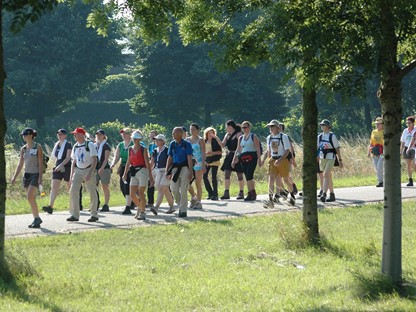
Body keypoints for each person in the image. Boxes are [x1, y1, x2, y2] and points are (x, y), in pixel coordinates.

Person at [11, 128, 44, 228]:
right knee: (31, 198)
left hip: (35, 175)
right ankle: (36, 218)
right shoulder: (23, 149)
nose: (23, 137)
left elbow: (40, 163)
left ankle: (36, 218)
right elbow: (20, 164)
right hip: (26, 175)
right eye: (23, 135)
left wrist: (40, 177)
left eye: (25, 135)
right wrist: (14, 177)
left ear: (31, 135)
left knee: (29, 196)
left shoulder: (38, 147)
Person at [67, 127, 99, 222]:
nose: (74, 135)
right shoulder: (75, 146)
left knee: (91, 191)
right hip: (78, 170)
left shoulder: (89, 145)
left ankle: (94, 214)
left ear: (81, 135)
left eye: (76, 134)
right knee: (73, 191)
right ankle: (75, 214)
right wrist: (71, 175)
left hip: (88, 169)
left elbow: (94, 160)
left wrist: (90, 172)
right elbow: (74, 161)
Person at [262, 120, 296, 206]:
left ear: (278, 128)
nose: (270, 128)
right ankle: (270, 200)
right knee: (271, 179)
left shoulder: (283, 137)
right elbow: (269, 150)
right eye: (270, 126)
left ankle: (292, 196)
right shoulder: (269, 137)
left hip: (283, 160)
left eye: (272, 126)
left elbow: (287, 150)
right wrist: (269, 160)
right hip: (273, 159)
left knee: (286, 180)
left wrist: (280, 160)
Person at [122, 130, 154, 220]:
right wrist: (125, 174)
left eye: (137, 139)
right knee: (132, 194)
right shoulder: (130, 149)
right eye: (134, 139)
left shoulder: (143, 149)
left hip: (142, 171)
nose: (135, 140)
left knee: (141, 193)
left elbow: (147, 163)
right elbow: (128, 162)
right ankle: (140, 207)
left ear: (139, 139)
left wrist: (150, 177)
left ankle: (142, 212)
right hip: (133, 171)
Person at [42, 129, 72, 214]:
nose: (60, 135)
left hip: (67, 167)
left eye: (62, 134)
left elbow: (68, 157)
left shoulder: (68, 144)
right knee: (54, 186)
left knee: (70, 186)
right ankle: (50, 206)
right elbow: (54, 157)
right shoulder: (57, 144)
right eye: (58, 134)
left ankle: (73, 206)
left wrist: (61, 165)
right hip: (57, 166)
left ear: (65, 135)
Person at [166, 127, 194, 217]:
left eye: (174, 133)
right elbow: (169, 158)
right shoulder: (172, 144)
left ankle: (183, 210)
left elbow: (189, 158)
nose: (172, 135)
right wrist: (167, 171)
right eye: (172, 133)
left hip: (185, 167)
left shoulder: (187, 144)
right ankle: (179, 205)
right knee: (174, 188)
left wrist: (190, 171)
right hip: (175, 167)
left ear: (180, 134)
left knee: (183, 189)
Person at [232, 121, 262, 201]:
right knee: (247, 176)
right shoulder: (241, 138)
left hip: (252, 158)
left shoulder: (253, 136)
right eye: (242, 127)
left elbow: (258, 148)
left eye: (245, 127)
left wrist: (259, 159)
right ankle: (252, 192)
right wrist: (234, 159)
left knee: (249, 175)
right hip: (243, 158)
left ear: (249, 128)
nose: (244, 129)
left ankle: (250, 193)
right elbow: (238, 149)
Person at [317, 119, 343, 202]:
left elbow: (337, 148)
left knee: (326, 174)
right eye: (321, 125)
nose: (322, 126)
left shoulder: (332, 136)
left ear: (328, 126)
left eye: (323, 125)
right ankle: (332, 194)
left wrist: (340, 160)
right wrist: (317, 157)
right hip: (322, 157)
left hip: (331, 157)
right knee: (328, 177)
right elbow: (318, 148)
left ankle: (324, 194)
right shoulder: (319, 136)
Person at [218, 120, 245, 200]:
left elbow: (239, 147)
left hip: (237, 155)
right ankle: (226, 192)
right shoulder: (227, 135)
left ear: (230, 126)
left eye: (226, 126)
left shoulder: (238, 134)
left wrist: (236, 158)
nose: (226, 128)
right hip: (229, 155)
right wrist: (216, 138)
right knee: (226, 173)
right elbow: (223, 145)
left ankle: (241, 192)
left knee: (239, 174)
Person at [110, 127, 134, 214]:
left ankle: (130, 204)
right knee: (122, 186)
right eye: (122, 134)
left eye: (125, 134)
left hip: (132, 167)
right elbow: (116, 157)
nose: (123, 135)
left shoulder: (133, 143)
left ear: (129, 134)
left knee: (129, 186)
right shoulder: (120, 145)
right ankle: (131, 201)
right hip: (123, 166)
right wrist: (113, 164)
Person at [149, 134, 174, 215]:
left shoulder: (167, 150)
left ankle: (156, 207)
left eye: (158, 140)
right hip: (157, 171)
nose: (156, 141)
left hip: (166, 171)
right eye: (156, 140)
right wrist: (149, 172)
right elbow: (152, 163)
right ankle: (171, 206)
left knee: (161, 187)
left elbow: (171, 161)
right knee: (165, 189)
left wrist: (170, 172)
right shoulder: (155, 151)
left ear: (163, 141)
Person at [186, 123, 206, 209]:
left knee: (198, 183)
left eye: (193, 129)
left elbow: (203, 152)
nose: (192, 131)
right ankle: (194, 196)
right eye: (190, 129)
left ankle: (198, 202)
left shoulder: (200, 140)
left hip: (198, 162)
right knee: (187, 182)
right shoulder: (187, 140)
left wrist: (204, 164)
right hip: (190, 162)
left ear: (197, 130)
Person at [203, 127, 222, 200]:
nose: (211, 134)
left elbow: (220, 152)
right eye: (209, 133)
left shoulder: (215, 141)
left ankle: (215, 194)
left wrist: (212, 153)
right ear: (206, 134)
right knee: (204, 176)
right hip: (207, 161)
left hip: (214, 160)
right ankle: (210, 192)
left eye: (212, 133)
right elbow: (202, 152)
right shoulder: (204, 141)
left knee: (214, 177)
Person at [95, 129, 112, 212]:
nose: (98, 136)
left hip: (104, 169)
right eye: (97, 134)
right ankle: (95, 203)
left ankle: (106, 204)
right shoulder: (94, 145)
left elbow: (105, 159)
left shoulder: (106, 146)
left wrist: (101, 168)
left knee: (105, 186)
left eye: (100, 134)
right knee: (93, 186)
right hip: (95, 168)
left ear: (104, 136)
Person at [368, 117, 384, 187]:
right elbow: (371, 143)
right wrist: (369, 151)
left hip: (383, 151)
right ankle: (380, 181)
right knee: (376, 167)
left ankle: (383, 181)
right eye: (376, 124)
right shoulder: (374, 132)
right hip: (375, 151)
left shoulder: (385, 131)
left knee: (379, 166)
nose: (377, 125)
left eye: (379, 124)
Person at [401, 116, 416, 186]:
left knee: (414, 164)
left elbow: (413, 141)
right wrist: (401, 150)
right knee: (408, 165)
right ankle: (410, 180)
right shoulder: (405, 131)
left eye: (409, 123)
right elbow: (403, 141)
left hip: (414, 148)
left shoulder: (415, 130)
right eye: (407, 123)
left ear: (413, 123)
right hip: (407, 147)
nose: (408, 124)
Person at [147, 130, 158, 208]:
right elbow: (150, 155)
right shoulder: (150, 145)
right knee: (150, 183)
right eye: (151, 136)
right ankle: (150, 201)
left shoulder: (159, 145)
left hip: (158, 165)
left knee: (162, 184)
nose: (152, 137)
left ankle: (170, 197)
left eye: (153, 136)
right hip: (151, 165)